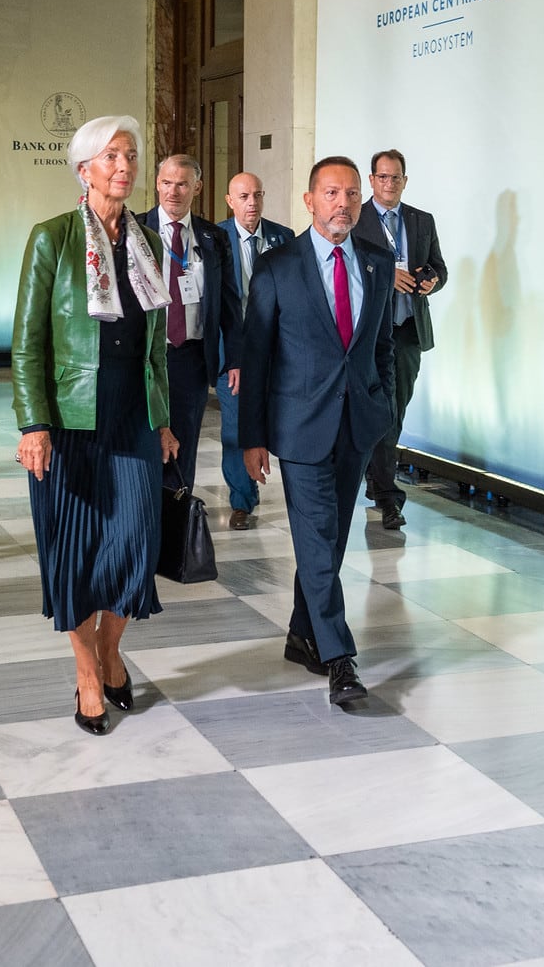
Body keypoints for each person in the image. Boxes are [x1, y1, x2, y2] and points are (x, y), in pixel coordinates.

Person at [12, 115, 178, 735]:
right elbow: (27, 343)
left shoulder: (148, 242)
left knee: (135, 546)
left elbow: (156, 343)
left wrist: (161, 418)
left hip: (133, 414)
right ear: (84, 170)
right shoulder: (51, 238)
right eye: (111, 156)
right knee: (76, 552)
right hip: (70, 421)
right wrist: (33, 424)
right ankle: (88, 670)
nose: (125, 166)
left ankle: (112, 647)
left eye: (130, 155)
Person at [239, 156, 396, 708]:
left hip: (357, 426)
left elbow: (380, 349)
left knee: (329, 540)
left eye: (353, 194)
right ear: (309, 201)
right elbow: (255, 358)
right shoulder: (278, 266)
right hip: (299, 428)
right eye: (331, 193)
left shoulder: (378, 262)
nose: (343, 203)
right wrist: (250, 438)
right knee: (315, 539)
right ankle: (339, 657)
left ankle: (302, 634)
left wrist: (384, 411)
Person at [351, 149, 446, 532]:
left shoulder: (421, 221)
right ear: (371, 180)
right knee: (372, 410)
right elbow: (348, 266)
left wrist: (432, 280)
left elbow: (440, 266)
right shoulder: (357, 218)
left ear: (405, 181)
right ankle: (387, 493)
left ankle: (380, 484)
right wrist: (385, 275)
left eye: (396, 177)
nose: (389, 184)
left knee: (395, 411)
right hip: (369, 332)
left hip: (407, 329)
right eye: (382, 177)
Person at [137, 155, 240, 496]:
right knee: (143, 447)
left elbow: (228, 303)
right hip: (142, 357)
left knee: (183, 452)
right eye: (167, 183)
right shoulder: (134, 230)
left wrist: (235, 358)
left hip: (189, 359)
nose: (173, 191)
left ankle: (178, 528)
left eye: (182, 184)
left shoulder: (213, 238)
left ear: (196, 187)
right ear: (157, 184)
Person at [215, 172, 293, 530]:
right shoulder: (216, 238)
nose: (253, 204)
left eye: (258, 195)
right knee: (235, 425)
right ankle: (241, 501)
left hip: (276, 349)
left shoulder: (282, 237)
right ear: (230, 201)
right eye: (244, 196)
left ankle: (296, 491)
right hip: (234, 351)